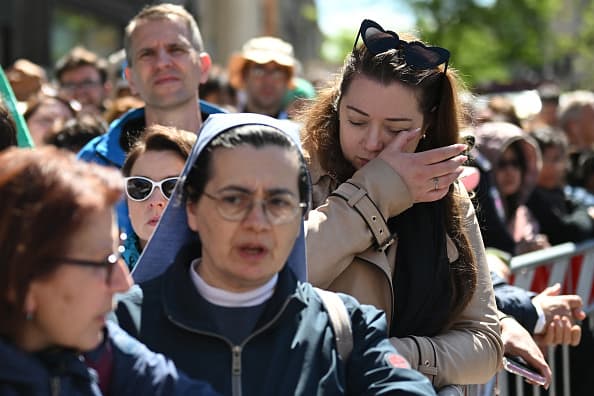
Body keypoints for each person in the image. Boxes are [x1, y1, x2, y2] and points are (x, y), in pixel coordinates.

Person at [115, 113, 437, 395]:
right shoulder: (121, 326)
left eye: (279, 203)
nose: (257, 223)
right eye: (233, 200)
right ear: (192, 209)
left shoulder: (346, 328)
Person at [300, 19, 503, 389]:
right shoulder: (292, 174)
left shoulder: (449, 196)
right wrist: (375, 191)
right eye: (357, 121)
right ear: (336, 107)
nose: (373, 142)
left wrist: (396, 356)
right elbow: (279, 275)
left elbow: (485, 341)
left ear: (427, 125)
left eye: (396, 129)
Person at [0, 147, 218, 395]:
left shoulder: (102, 352)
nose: (123, 283)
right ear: (23, 277)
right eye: (101, 263)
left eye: (119, 251)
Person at [76, 3, 223, 234]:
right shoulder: (92, 165)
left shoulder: (248, 152)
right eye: (147, 54)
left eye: (176, 49)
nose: (163, 63)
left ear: (203, 66)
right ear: (130, 78)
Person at [121, 125, 197, 269]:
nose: (155, 201)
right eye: (140, 186)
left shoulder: (224, 274)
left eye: (173, 187)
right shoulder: (99, 276)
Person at [473, 121, 550, 255]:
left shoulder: (525, 214)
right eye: (501, 164)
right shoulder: (475, 218)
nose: (510, 172)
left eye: (515, 163)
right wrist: (516, 251)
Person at [228, 36, 296, 118]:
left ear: (287, 79)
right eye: (259, 71)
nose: (268, 80)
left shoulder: (299, 130)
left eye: (277, 72)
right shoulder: (224, 127)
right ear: (244, 75)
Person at [55, 46, 111, 116]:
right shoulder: (49, 124)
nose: (79, 91)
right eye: (70, 85)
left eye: (87, 83)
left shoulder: (122, 124)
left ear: (106, 88)